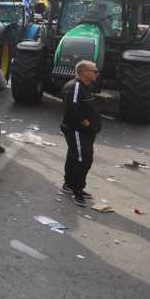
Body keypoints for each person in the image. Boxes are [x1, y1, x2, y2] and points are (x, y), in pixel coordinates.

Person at [61, 60, 102, 207]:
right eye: (94, 71)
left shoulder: (85, 86)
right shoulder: (75, 86)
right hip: (78, 130)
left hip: (86, 131)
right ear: (84, 71)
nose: (97, 73)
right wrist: (84, 122)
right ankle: (77, 191)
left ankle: (69, 185)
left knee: (74, 156)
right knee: (83, 159)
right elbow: (71, 107)